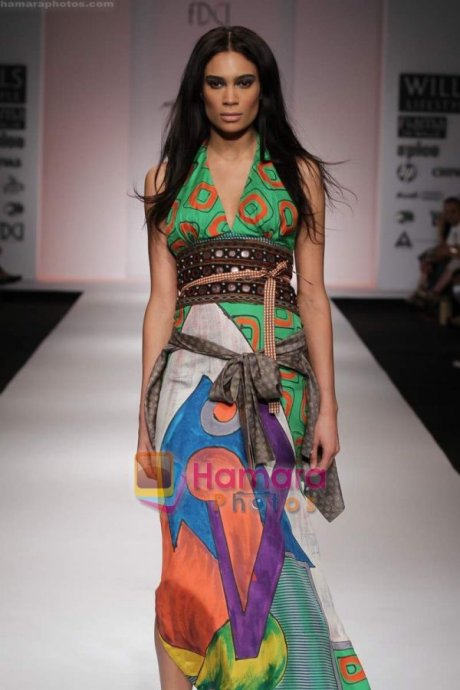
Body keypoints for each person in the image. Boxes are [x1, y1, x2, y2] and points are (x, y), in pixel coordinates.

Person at [134, 25, 371, 690]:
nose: (230, 97)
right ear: (199, 91)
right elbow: (160, 302)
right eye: (217, 83)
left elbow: (313, 294)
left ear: (263, 89)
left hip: (276, 386)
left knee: (271, 552)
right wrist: (144, 420)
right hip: (188, 389)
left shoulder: (297, 174)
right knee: (187, 556)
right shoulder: (165, 179)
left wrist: (328, 410)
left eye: (244, 82)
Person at [408, 196, 460, 306]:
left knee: (452, 265)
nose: (449, 215)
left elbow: (454, 250)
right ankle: (421, 292)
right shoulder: (453, 227)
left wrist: (449, 251)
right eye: (446, 212)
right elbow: (445, 246)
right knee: (428, 258)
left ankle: (433, 293)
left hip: (457, 258)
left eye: (453, 212)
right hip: (454, 255)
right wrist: (430, 257)